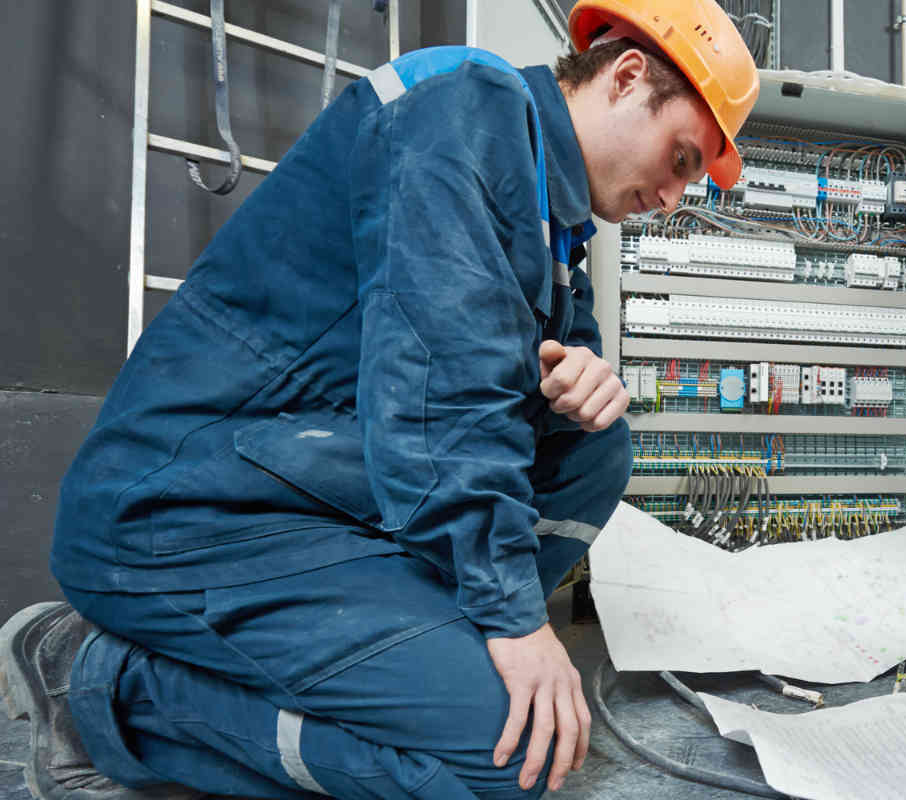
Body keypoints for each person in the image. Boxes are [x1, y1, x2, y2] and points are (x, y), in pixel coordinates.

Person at [0, 2, 757, 797]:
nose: (675, 197)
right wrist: (516, 623)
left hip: (307, 487)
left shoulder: (554, 226)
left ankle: (436, 647)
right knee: (505, 760)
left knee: (594, 444)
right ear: (627, 76)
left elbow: (551, 360)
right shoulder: (466, 109)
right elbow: (445, 391)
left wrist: (590, 376)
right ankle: (96, 685)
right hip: (185, 508)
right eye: (680, 158)